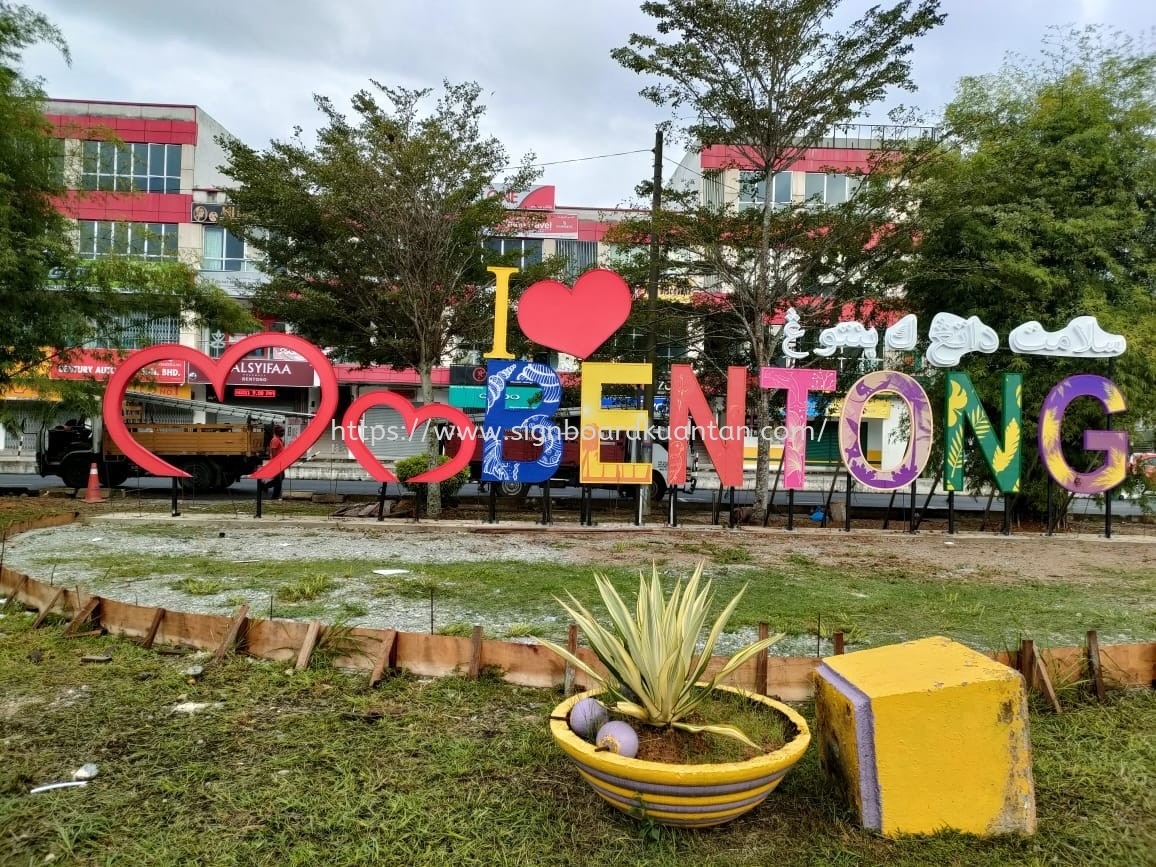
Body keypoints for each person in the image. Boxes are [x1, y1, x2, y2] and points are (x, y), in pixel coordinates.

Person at [264, 424, 285, 499]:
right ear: (277, 432)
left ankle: (266, 487)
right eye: (281, 431)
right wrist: (276, 462)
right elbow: (273, 451)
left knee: (280, 478)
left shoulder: (279, 439)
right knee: (278, 480)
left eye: (283, 431)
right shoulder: (275, 440)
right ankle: (274, 495)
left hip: (280, 462)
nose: (282, 433)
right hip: (277, 463)